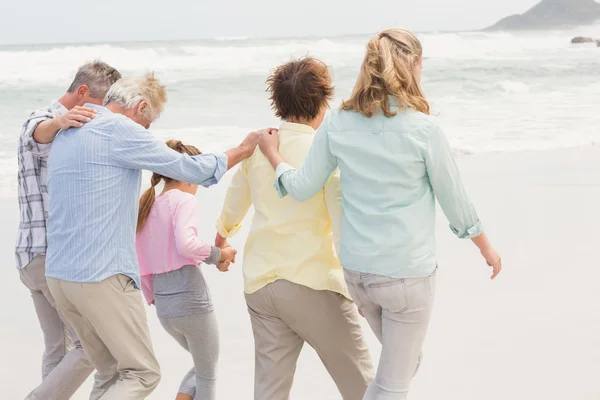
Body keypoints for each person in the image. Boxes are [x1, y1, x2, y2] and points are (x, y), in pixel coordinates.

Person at [258, 29, 503, 400]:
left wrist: (275, 157)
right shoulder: (424, 129)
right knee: (393, 384)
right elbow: (455, 200)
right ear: (414, 67)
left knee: (402, 364)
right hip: (406, 277)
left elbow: (303, 187)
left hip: (359, 276)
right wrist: (485, 247)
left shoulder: (338, 123)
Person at [44, 72, 271, 400]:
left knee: (108, 370)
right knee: (142, 373)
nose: (145, 135)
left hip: (60, 275)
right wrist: (244, 149)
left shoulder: (71, 129)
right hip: (100, 275)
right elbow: (191, 169)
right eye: (147, 127)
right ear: (139, 108)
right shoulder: (120, 130)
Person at [215, 57, 374, 400]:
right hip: (312, 282)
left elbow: (235, 198)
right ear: (324, 100)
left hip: (261, 286)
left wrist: (221, 238)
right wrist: (360, 285)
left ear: (279, 103)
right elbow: (342, 222)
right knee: (365, 387)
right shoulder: (325, 150)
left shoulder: (258, 148)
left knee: (270, 392)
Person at [16, 60, 121, 400]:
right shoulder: (42, 120)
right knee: (93, 346)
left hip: (32, 257)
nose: (104, 113)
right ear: (83, 93)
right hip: (48, 256)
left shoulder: (70, 127)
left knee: (58, 349)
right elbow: (37, 134)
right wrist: (61, 121)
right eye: (101, 104)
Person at [136, 139, 237, 400]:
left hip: (165, 309)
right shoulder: (182, 201)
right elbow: (187, 244)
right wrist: (220, 255)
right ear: (188, 175)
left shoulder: (148, 206)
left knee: (203, 365)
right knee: (207, 374)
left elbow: (141, 264)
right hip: (191, 301)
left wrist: (154, 298)